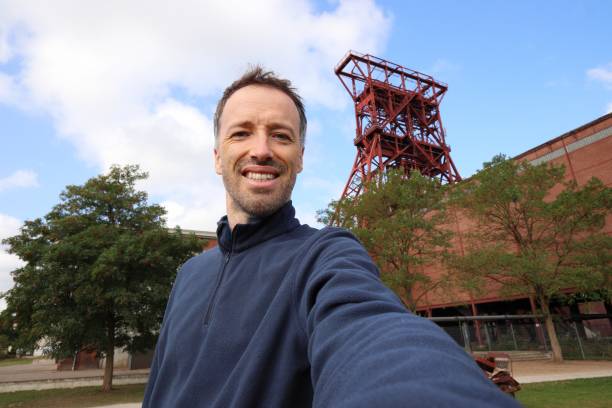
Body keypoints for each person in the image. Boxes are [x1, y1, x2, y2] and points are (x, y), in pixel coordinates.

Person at [142, 67, 519, 407]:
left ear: (301, 157)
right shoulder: (188, 274)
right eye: (241, 133)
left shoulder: (323, 255)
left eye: (280, 135)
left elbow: (370, 330)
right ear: (217, 157)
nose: (261, 150)